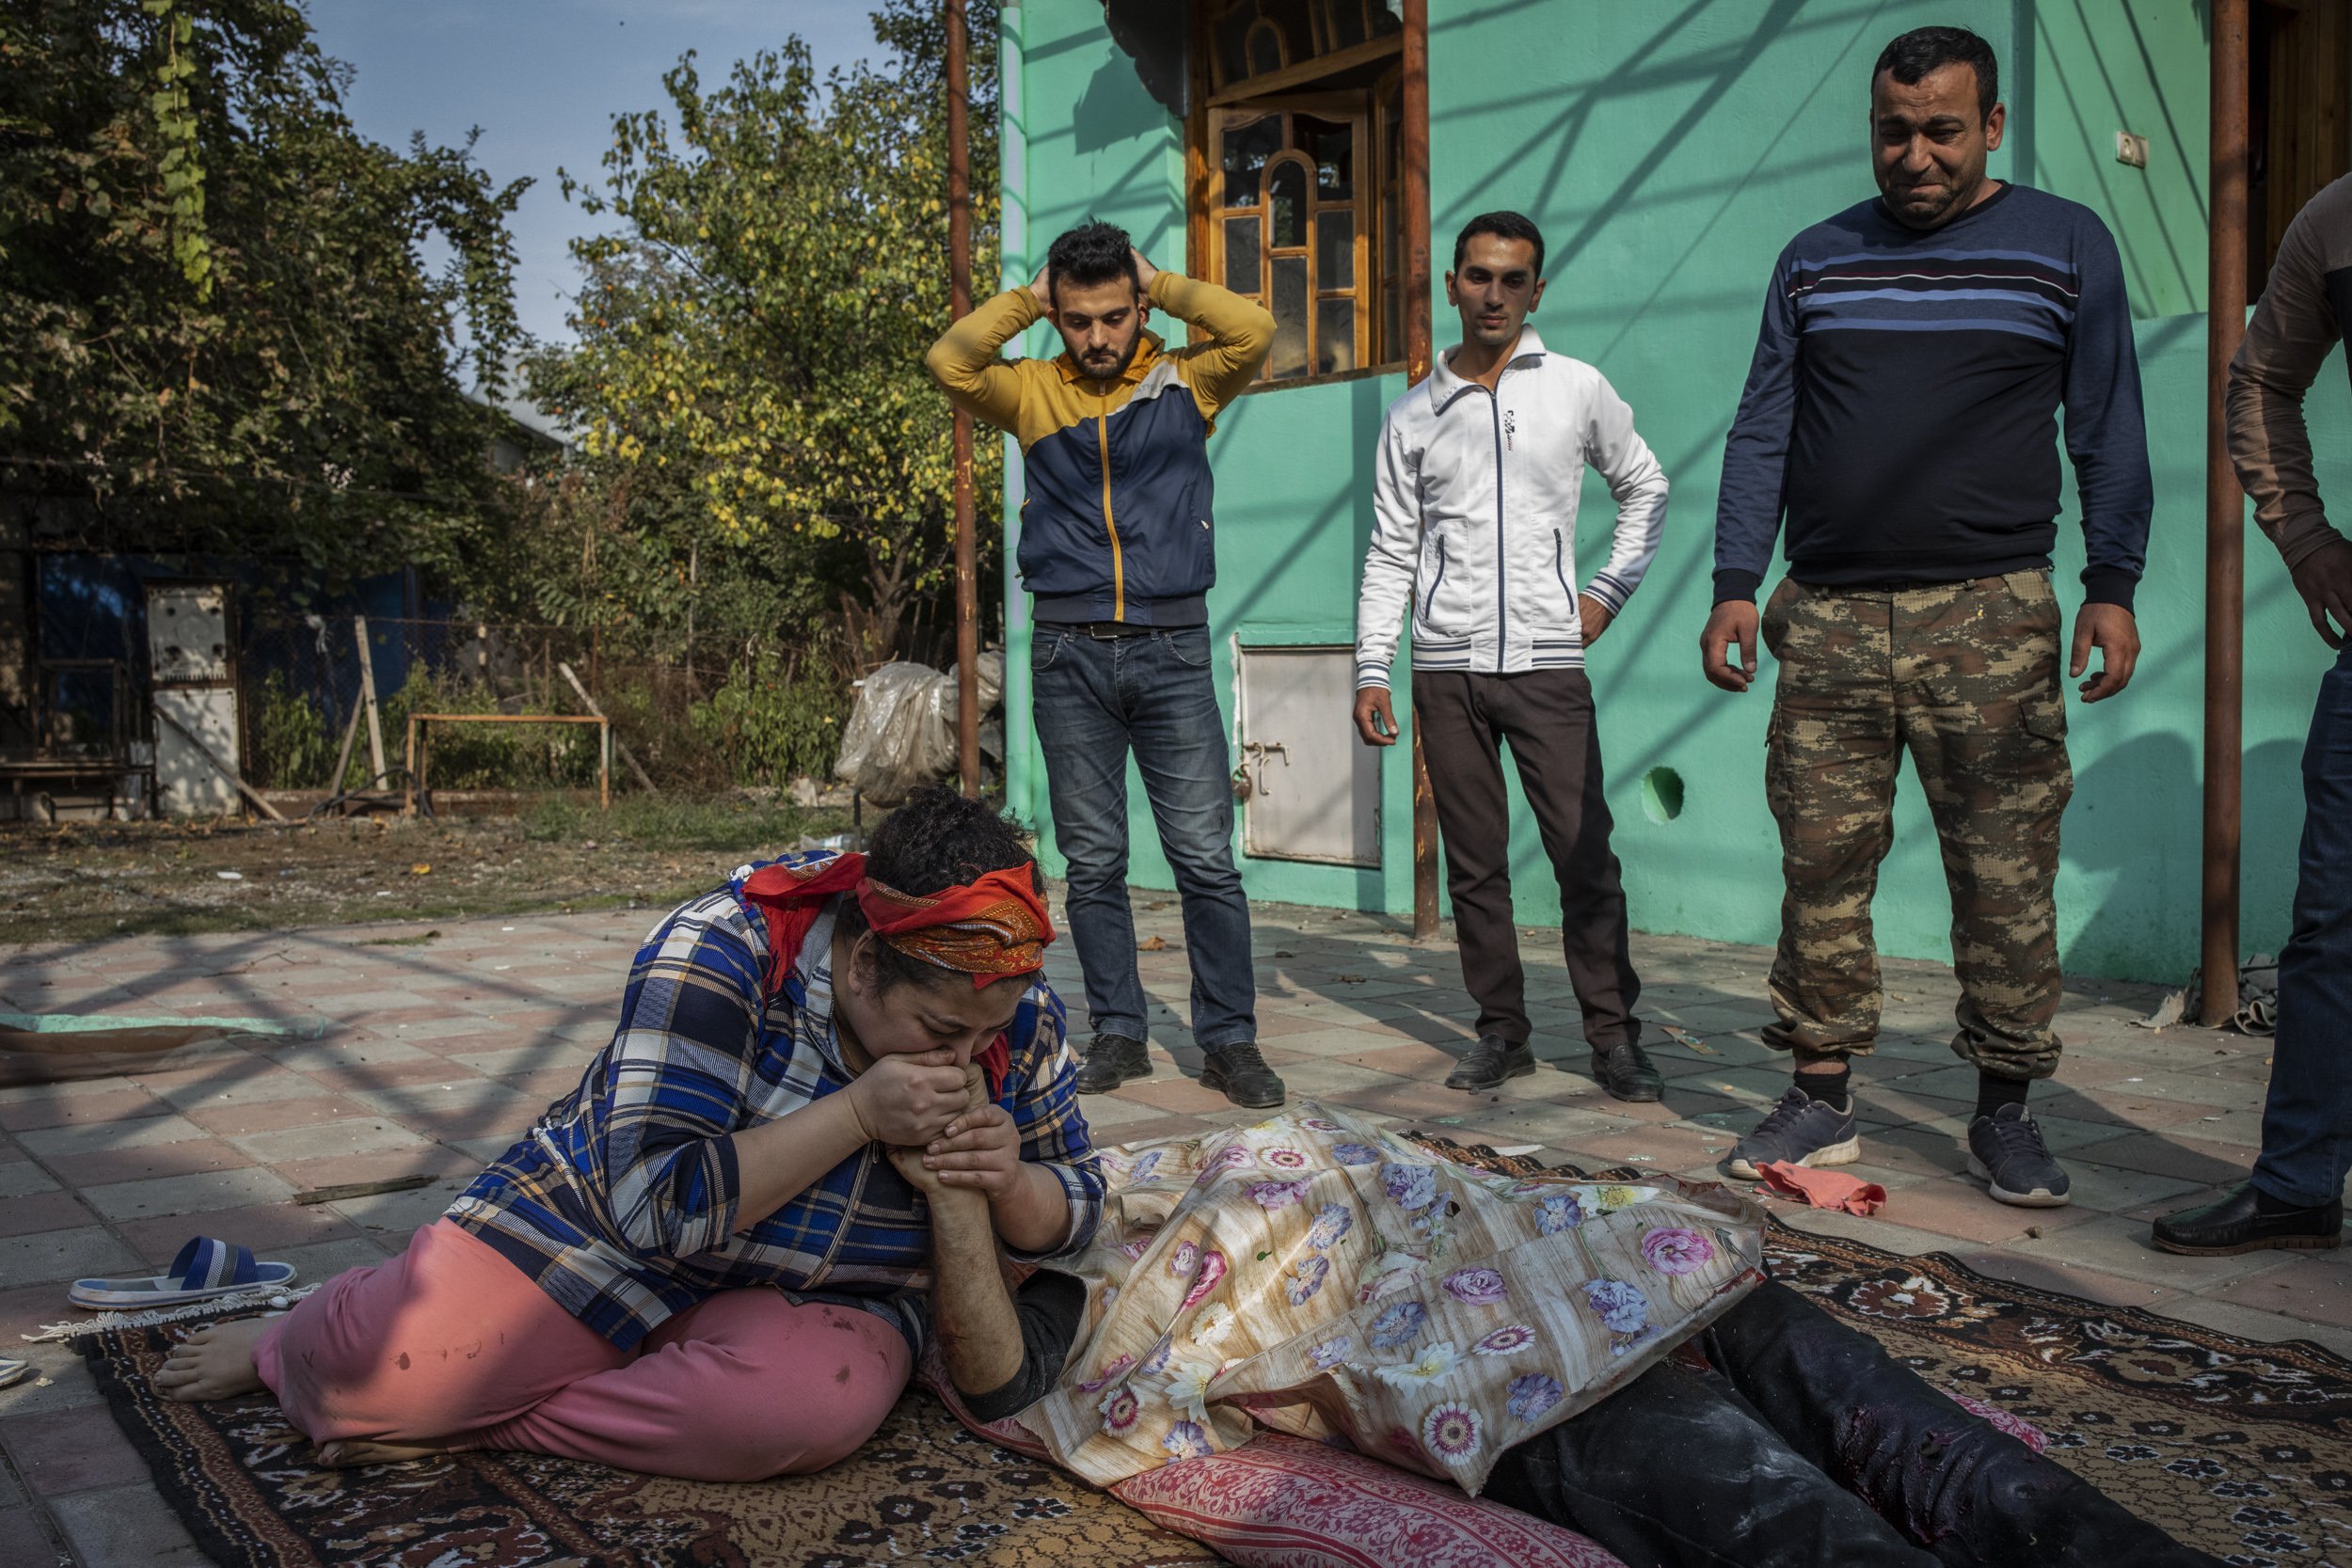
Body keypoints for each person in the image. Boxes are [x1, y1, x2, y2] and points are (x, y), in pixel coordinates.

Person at [151, 787, 1104, 1482]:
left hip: (825, 1290)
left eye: (988, 1032)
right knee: (371, 1373)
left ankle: (478, 1411)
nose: (971, 1053)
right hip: (605, 1241)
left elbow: (1082, 1202)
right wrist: (857, 1112)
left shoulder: (1012, 1011)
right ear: (862, 965)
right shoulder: (723, 951)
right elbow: (652, 1204)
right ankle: (293, 1340)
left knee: (803, 1412)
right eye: (942, 1032)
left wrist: (1011, 1180)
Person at [1703, 26, 2153, 1207]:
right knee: (1820, 862)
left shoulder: (2063, 244)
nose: (1914, 155)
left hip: (1991, 615)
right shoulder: (1814, 259)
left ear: (1991, 126)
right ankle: (1820, 1089)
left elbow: (2104, 423)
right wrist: (1733, 582)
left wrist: (2113, 584)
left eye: (1942, 131)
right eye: (1892, 131)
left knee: (2004, 870)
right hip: (1831, 614)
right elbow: (1762, 427)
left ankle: (2004, 1109)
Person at [927, 1170, 2224, 1567]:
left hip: (1634, 1282)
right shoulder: (1048, 1312)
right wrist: (947, 1200)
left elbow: (1414, 1179)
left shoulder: (1144, 1160)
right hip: (1506, 1371)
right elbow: (995, 1384)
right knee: (1796, 1519)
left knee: (1937, 1445)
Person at [924, 220, 1284, 1111]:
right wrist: (1029, 299)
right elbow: (950, 361)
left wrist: (1161, 285)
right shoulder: (1032, 391)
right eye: (1078, 321)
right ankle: (1119, 1031)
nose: (1096, 339)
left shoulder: (1185, 380)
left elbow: (1255, 331)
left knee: (1205, 857)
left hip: (1170, 651)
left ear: (1134, 307)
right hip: (1066, 653)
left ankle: (1230, 1041)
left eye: (1114, 317)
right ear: (1059, 315)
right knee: (1092, 862)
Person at [1351, 211, 1670, 1101]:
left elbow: (1646, 485)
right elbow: (1389, 550)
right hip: (1446, 667)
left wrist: (1606, 594)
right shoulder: (1415, 413)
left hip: (1544, 662)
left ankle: (1613, 1037)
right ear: (1452, 284)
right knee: (1474, 862)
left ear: (1537, 291)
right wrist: (1374, 665)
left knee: (1582, 852)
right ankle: (1503, 1030)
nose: (1494, 293)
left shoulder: (1574, 388)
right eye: (1479, 276)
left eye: (1513, 278)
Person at [2153, 174, 2352, 1256]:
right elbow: (2260, 381)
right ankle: (2298, 1182)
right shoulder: (2335, 220)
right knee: (2331, 927)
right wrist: (2305, 532)